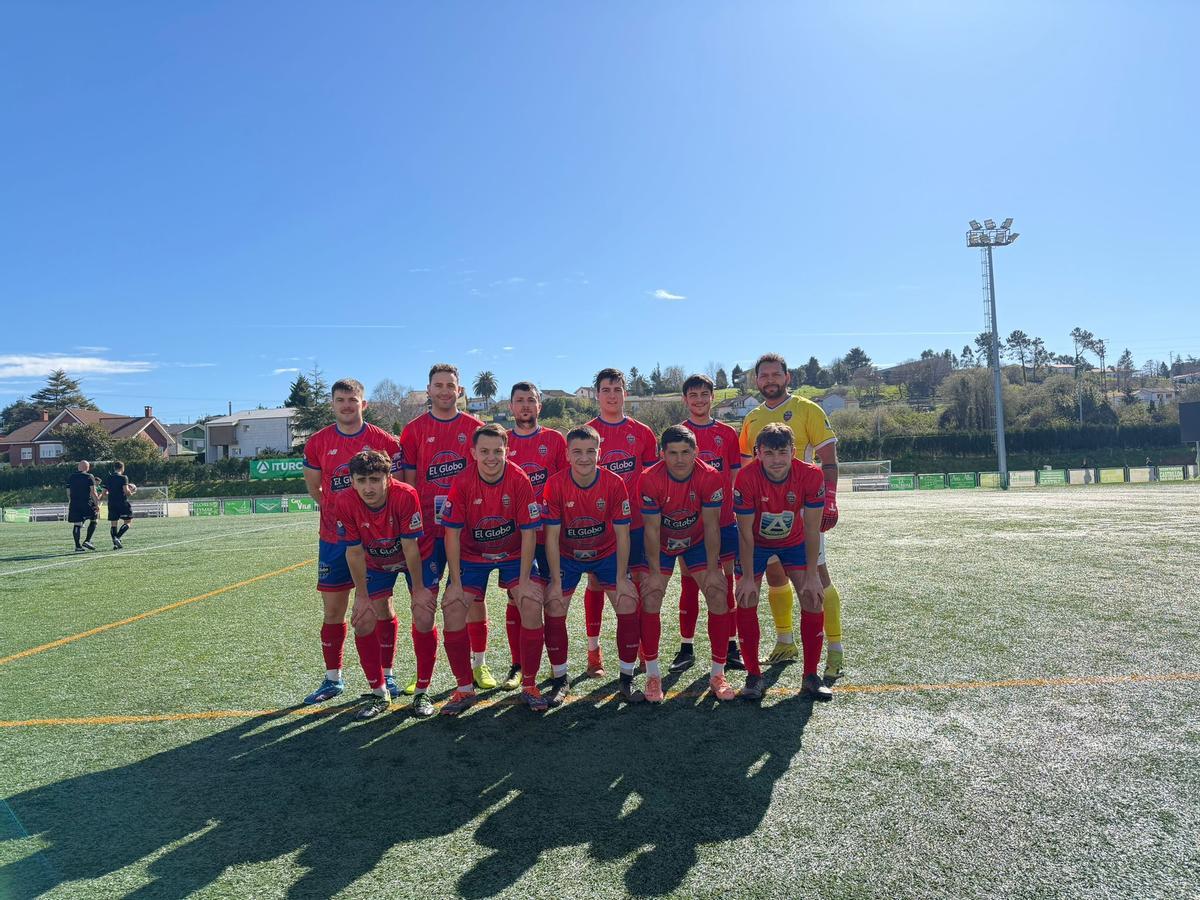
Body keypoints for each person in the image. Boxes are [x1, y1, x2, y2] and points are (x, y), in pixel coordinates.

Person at [738, 353, 844, 684]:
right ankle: (785, 642)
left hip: (803, 510)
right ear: (756, 381)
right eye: (764, 375)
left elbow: (828, 460)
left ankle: (835, 649)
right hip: (763, 511)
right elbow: (746, 465)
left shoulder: (808, 408)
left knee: (817, 578)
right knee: (772, 575)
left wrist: (830, 498)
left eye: (775, 374)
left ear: (788, 377)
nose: (770, 380)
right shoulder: (752, 417)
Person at [301, 378, 405, 707]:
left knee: (380, 606)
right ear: (332, 404)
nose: (347, 405)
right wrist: (339, 514)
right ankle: (333, 679)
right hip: (333, 538)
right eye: (341, 399)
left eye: (353, 399)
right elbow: (316, 490)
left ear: (364, 404)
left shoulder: (383, 441)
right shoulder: (318, 443)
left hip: (376, 541)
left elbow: (396, 488)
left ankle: (386, 673)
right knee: (334, 611)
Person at [439, 424, 545, 714]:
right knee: (453, 607)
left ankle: (530, 685)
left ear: (506, 451)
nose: (491, 457)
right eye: (484, 451)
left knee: (532, 602)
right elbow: (451, 535)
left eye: (497, 451)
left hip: (513, 553)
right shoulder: (462, 482)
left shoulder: (519, 479)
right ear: (472, 453)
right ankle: (463, 689)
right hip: (472, 555)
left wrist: (524, 581)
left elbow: (529, 533)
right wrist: (456, 584)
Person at [399, 364, 486, 691]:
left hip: (467, 530)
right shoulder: (414, 430)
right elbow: (407, 484)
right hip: (427, 531)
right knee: (423, 601)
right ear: (429, 390)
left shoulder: (475, 428)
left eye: (451, 385)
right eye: (439, 385)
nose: (445, 390)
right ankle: (423, 674)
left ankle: (479, 664)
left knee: (473, 599)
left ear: (460, 390)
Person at [542, 425, 642, 705]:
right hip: (568, 556)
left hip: (607, 552)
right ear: (567, 454)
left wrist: (622, 577)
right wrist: (556, 580)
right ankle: (560, 680)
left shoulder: (613, 482)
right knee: (554, 603)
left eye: (590, 451)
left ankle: (626, 677)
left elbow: (623, 535)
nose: (584, 458)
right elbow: (550, 537)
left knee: (627, 601)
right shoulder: (556, 483)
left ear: (600, 452)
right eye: (577, 452)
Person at [335, 450, 437, 720]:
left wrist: (418, 590)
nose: (369, 487)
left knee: (424, 615)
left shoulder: (405, 494)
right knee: (365, 619)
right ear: (352, 481)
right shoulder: (344, 502)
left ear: (388, 478)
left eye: (375, 479)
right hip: (375, 561)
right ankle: (380, 692)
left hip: (414, 556)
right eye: (362, 480)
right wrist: (362, 596)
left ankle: (422, 691)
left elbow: (410, 546)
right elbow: (354, 552)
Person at [733, 423, 832, 702]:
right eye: (769, 453)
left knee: (813, 597)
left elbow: (813, 529)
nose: (776, 460)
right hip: (755, 544)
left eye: (782, 452)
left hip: (794, 541)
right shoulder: (746, 477)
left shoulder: (811, 475)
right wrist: (749, 577)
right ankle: (753, 675)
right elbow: (744, 532)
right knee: (746, 596)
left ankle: (810, 676)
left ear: (793, 452)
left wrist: (812, 575)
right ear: (758, 454)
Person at [639, 426, 738, 702]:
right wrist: (656, 572)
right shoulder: (649, 478)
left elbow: (711, 526)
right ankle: (653, 674)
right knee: (651, 596)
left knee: (718, 593)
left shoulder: (710, 476)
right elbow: (650, 529)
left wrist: (712, 568)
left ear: (696, 452)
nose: (680, 459)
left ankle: (718, 673)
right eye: (673, 453)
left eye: (686, 452)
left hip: (696, 542)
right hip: (662, 543)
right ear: (662, 454)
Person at [583, 368, 658, 677]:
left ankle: (642, 651)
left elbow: (653, 481)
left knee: (637, 586)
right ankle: (593, 652)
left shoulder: (642, 433)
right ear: (597, 394)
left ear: (625, 393)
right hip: (600, 527)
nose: (612, 394)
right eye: (606, 389)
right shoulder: (586, 432)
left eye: (617, 388)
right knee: (596, 583)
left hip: (637, 524)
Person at [677, 373, 744, 672]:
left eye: (705, 394)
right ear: (685, 399)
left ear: (712, 397)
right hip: (689, 526)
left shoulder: (728, 434)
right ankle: (686, 647)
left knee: (725, 584)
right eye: (694, 395)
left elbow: (733, 478)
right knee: (689, 584)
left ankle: (731, 646)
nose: (699, 399)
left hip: (724, 522)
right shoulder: (678, 433)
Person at [503, 382, 568, 690]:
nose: (526, 405)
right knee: (518, 599)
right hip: (517, 538)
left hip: (552, 535)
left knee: (553, 601)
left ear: (540, 406)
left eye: (531, 400)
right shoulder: (500, 442)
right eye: (520, 401)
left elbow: (564, 483)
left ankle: (557, 671)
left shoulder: (555, 440)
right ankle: (519, 666)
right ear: (511, 407)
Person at [99, 462, 135, 549]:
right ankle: (117, 537)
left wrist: (112, 494)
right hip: (122, 502)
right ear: (122, 468)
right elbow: (126, 492)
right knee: (128, 522)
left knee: (113, 524)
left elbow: (104, 493)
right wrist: (132, 492)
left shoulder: (108, 478)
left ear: (114, 468)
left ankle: (115, 544)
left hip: (111, 502)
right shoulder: (123, 477)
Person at [67, 460, 100, 552]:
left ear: (78, 467)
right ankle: (87, 540)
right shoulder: (89, 476)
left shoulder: (71, 477)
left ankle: (77, 546)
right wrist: (97, 504)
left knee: (77, 523)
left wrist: (71, 502)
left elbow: (68, 492)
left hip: (74, 503)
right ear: (87, 468)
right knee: (94, 518)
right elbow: (93, 492)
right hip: (86, 502)